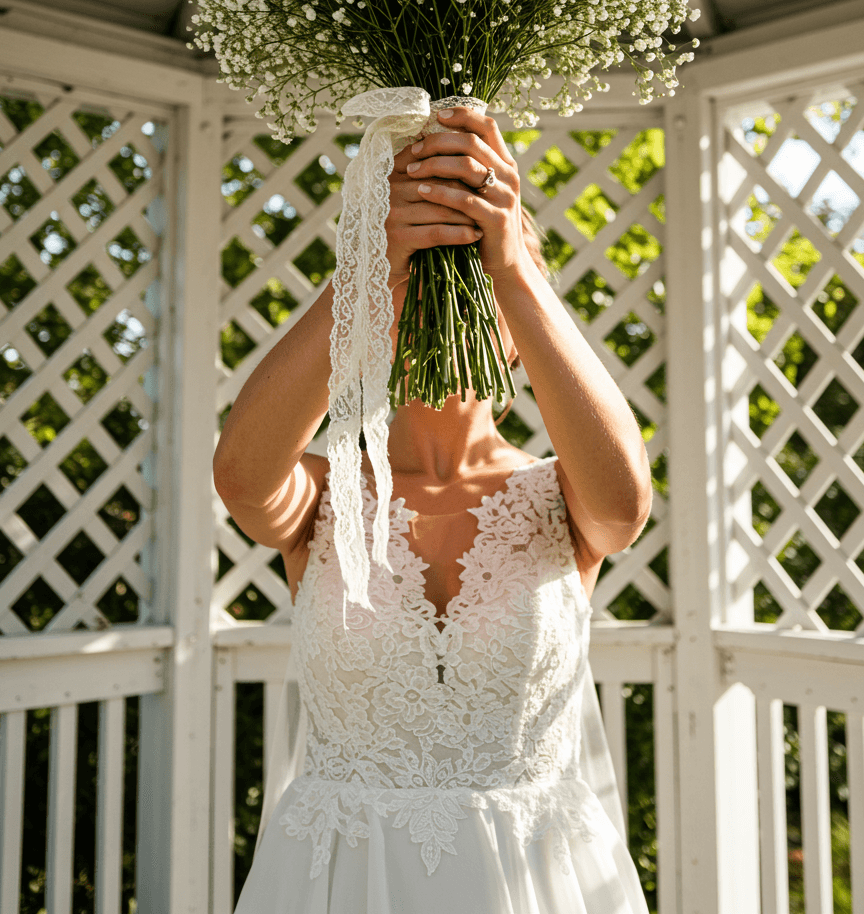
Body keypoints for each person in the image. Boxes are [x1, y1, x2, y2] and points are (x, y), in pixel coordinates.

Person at [214, 105, 652, 913]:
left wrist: (512, 262)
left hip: (535, 887)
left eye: (477, 285)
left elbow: (626, 504)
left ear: (524, 327)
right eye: (416, 285)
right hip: (339, 885)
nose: (438, 314)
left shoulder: (563, 497)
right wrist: (369, 266)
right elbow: (241, 476)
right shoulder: (323, 493)